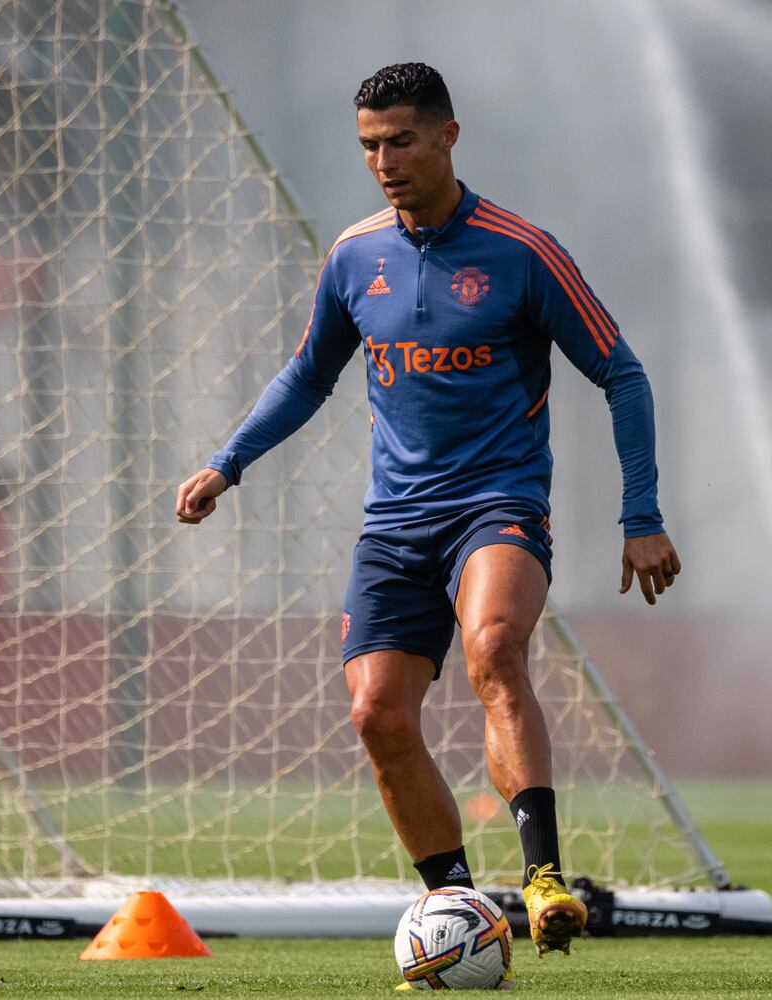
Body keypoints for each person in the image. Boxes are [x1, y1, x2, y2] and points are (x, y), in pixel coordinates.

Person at [176, 62, 681, 973]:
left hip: (498, 505)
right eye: (369, 144)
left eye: (401, 140)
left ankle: (542, 880)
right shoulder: (354, 256)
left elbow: (623, 372)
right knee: (376, 715)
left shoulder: (521, 251)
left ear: (449, 136)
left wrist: (639, 513)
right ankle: (455, 903)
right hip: (395, 523)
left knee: (494, 647)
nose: (383, 160)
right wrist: (228, 462)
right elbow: (307, 376)